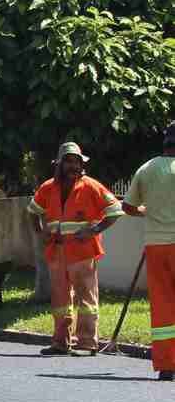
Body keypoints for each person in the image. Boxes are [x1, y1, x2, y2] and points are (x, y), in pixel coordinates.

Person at [28, 142, 124, 356]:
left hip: (82, 252)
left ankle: (87, 344)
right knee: (60, 300)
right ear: (59, 164)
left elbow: (116, 210)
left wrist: (94, 230)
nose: (73, 166)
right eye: (68, 162)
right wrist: (40, 231)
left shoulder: (90, 186)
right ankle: (61, 343)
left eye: (77, 162)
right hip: (57, 251)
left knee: (86, 299)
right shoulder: (48, 187)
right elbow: (33, 211)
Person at [121, 125, 175, 380]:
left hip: (156, 246)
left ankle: (167, 366)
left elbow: (128, 206)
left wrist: (146, 212)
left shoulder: (147, 168)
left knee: (164, 306)